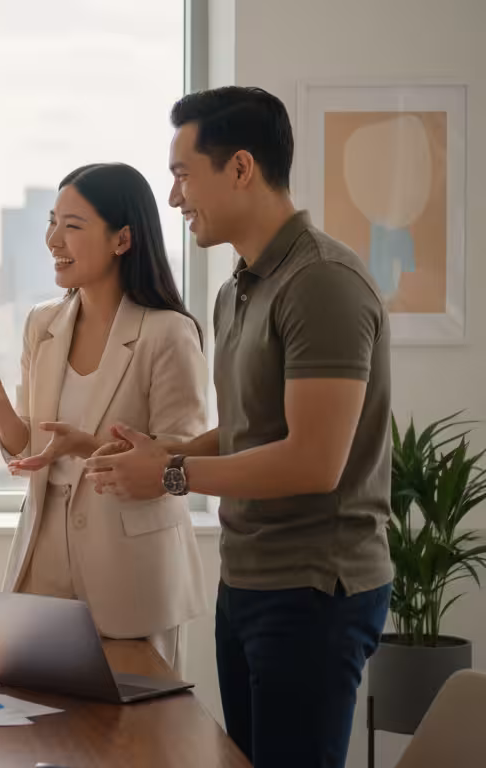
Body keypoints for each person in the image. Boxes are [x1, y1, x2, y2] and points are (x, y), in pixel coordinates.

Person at [85, 86, 392, 768]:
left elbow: (314, 461)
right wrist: (167, 449)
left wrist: (168, 474)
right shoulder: (239, 288)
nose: (173, 198)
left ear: (242, 168)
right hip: (248, 579)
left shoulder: (322, 282)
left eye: (183, 174)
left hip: (315, 588)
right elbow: (252, 428)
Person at [0, 163, 207, 675]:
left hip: (131, 572)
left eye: (72, 225)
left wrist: (87, 447)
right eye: (51, 221)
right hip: (43, 554)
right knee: (38, 726)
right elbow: (29, 451)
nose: (52, 239)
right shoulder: (43, 325)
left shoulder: (167, 333)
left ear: (122, 238)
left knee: (133, 740)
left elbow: (180, 465)